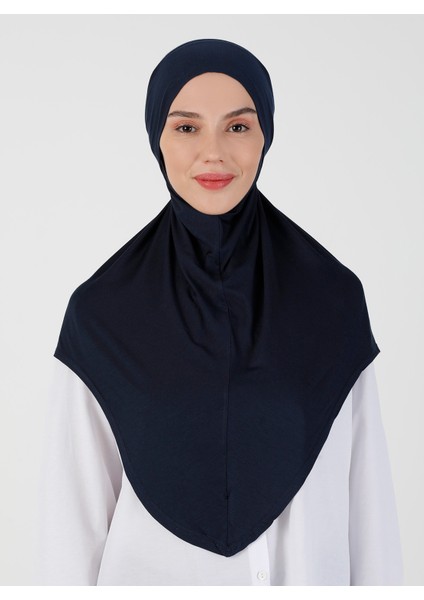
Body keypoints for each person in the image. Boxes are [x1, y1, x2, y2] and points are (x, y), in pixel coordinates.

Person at [35, 38, 404, 586]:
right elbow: (70, 536)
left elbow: (370, 521)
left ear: (265, 136)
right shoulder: (102, 315)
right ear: (157, 138)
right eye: (187, 127)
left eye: (237, 126)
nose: (213, 152)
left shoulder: (332, 299)